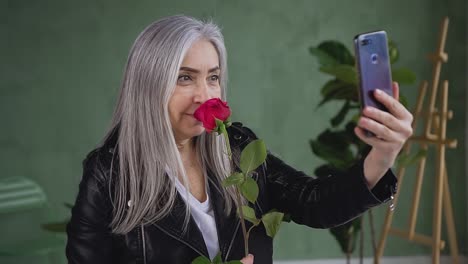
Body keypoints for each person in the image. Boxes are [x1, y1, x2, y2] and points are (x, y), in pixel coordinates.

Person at [66, 15, 413, 264]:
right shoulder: (108, 173)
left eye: (213, 77)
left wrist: (383, 155)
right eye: (185, 78)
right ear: (148, 84)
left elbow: (314, 202)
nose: (204, 94)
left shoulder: (238, 148)